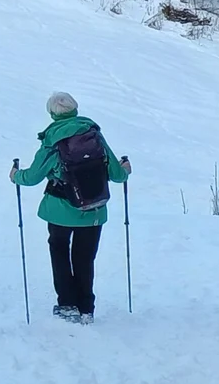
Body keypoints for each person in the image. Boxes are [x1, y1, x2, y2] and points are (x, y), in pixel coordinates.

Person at [10, 92, 130, 324]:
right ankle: (86, 308)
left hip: (59, 211)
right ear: (75, 110)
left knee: (60, 252)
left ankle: (67, 304)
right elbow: (116, 174)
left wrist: (16, 176)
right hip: (94, 209)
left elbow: (33, 177)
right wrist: (125, 169)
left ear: (53, 114)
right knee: (85, 258)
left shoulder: (52, 141)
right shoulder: (94, 136)